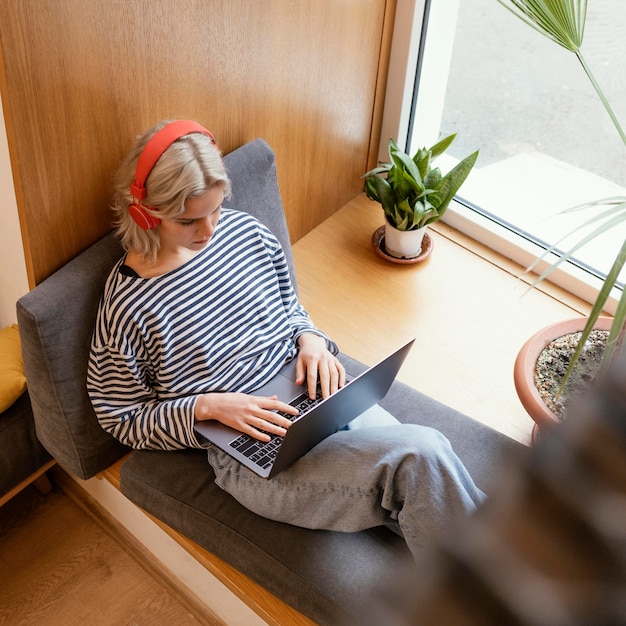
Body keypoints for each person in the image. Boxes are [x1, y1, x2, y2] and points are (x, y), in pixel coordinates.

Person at [87, 120, 485, 560]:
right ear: (144, 212)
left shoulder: (245, 233)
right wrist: (208, 407)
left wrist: (311, 340)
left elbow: (289, 308)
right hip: (252, 457)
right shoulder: (129, 307)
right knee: (421, 455)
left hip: (313, 396)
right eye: (188, 221)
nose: (209, 231)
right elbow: (120, 416)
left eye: (216, 210)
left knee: (432, 466)